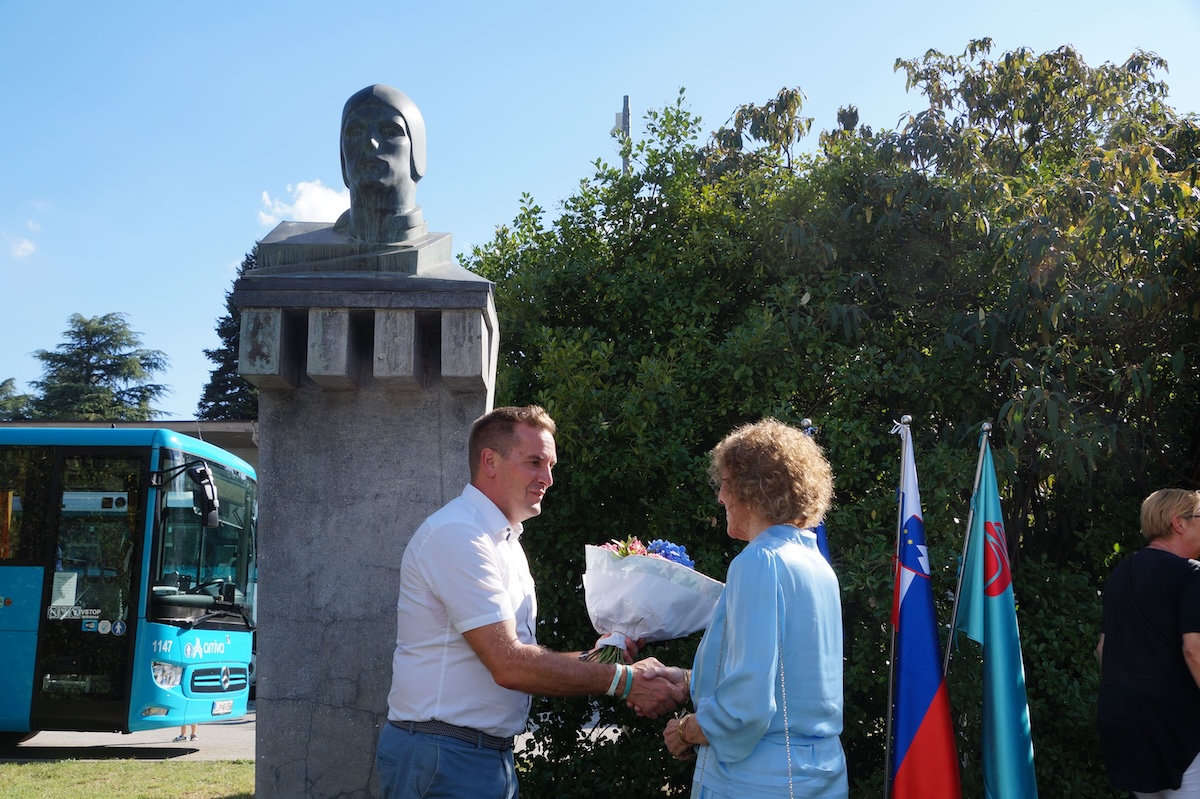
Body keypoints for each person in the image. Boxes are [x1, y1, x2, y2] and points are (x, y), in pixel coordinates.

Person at [375, 405, 686, 799]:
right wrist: (624, 681)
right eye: (535, 462)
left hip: (477, 756)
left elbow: (523, 657)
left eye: (551, 465)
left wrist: (606, 655)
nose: (548, 479)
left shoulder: (503, 541)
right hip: (445, 758)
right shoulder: (459, 535)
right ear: (490, 461)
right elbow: (509, 665)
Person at [656, 418, 848, 799]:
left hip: (759, 784)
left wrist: (685, 731)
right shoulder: (815, 564)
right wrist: (686, 678)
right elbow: (788, 678)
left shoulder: (759, 561)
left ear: (752, 488)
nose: (720, 496)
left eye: (725, 482)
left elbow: (748, 704)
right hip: (819, 779)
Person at [1097, 488, 1200, 798]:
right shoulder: (1190, 574)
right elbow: (1193, 649)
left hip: (1123, 721)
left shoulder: (1121, 573)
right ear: (1178, 523)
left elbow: (1103, 650)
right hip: (1177, 727)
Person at [334, 84, 429, 244]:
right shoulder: (302, 252)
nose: (371, 143)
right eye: (356, 132)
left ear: (416, 151)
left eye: (390, 131)